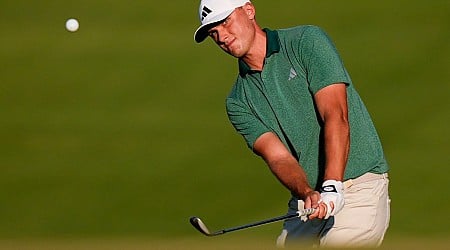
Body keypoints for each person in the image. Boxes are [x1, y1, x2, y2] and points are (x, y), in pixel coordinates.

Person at [193, 0, 390, 248]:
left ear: (249, 10)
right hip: (308, 203)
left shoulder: (306, 41)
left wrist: (332, 184)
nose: (221, 35)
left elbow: (336, 115)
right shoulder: (238, 102)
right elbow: (279, 158)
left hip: (359, 187)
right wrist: (307, 192)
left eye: (225, 22)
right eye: (213, 32)